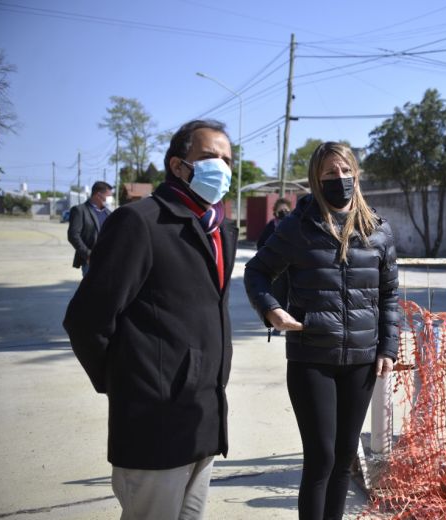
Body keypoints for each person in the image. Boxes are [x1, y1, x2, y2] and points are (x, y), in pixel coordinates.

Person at [63, 119, 238, 520]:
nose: (222, 168)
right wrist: (128, 382)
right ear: (179, 166)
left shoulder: (218, 229)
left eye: (227, 159)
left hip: (203, 417)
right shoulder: (139, 222)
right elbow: (86, 320)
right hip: (154, 422)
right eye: (211, 157)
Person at [244, 142, 399, 520]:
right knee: (321, 457)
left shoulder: (378, 230)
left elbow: (389, 293)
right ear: (316, 179)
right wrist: (271, 310)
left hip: (362, 359)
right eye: (330, 173)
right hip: (312, 356)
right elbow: (257, 271)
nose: (340, 179)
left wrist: (388, 347)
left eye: (345, 171)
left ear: (356, 174)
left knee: (345, 456)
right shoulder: (298, 227)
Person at [257, 198, 292, 335]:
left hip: (293, 267)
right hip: (278, 269)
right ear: (275, 211)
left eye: (287, 210)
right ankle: (279, 326)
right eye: (281, 210)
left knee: (295, 298)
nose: (284, 212)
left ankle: (293, 326)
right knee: (279, 297)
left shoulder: (295, 225)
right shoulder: (272, 226)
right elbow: (261, 244)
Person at [67, 181, 113, 276]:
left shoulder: (108, 213)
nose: (110, 199)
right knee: (91, 290)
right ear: (98, 195)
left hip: (108, 260)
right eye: (108, 196)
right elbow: (73, 235)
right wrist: (88, 255)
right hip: (90, 262)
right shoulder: (80, 210)